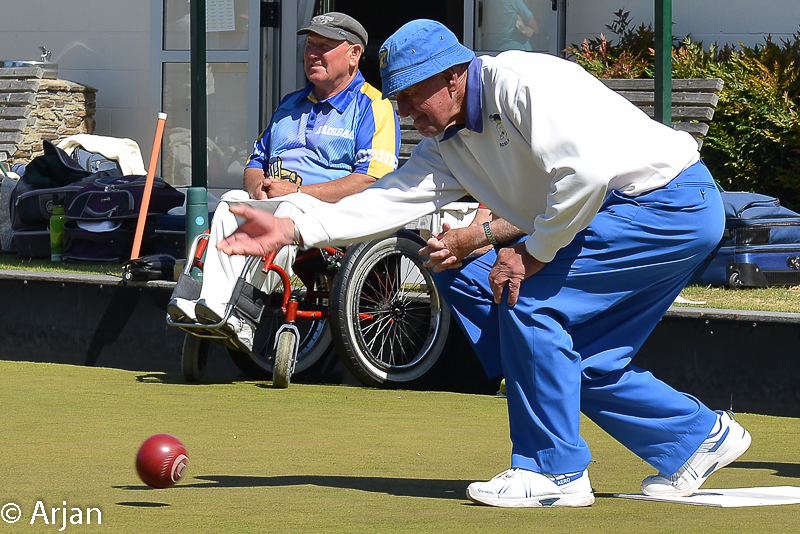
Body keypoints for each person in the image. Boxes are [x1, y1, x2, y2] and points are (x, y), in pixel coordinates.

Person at [215, 19, 752, 507]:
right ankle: (694, 438)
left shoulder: (522, 83)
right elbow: (392, 197)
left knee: (528, 300)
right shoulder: (445, 141)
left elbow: (584, 176)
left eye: (410, 97)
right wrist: (293, 226)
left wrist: (532, 253)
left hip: (664, 204)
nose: (404, 113)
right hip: (626, 213)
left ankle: (553, 472)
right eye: (397, 100)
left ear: (452, 77)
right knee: (563, 349)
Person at [167, 12, 400, 352]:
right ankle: (210, 306)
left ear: (354, 54)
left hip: (332, 215)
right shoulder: (290, 104)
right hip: (279, 202)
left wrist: (298, 191)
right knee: (231, 202)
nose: (313, 54)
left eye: (324, 46)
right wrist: (256, 186)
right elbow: (254, 162)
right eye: (309, 45)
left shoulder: (373, 106)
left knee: (289, 208)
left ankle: (244, 314)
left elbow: (370, 179)